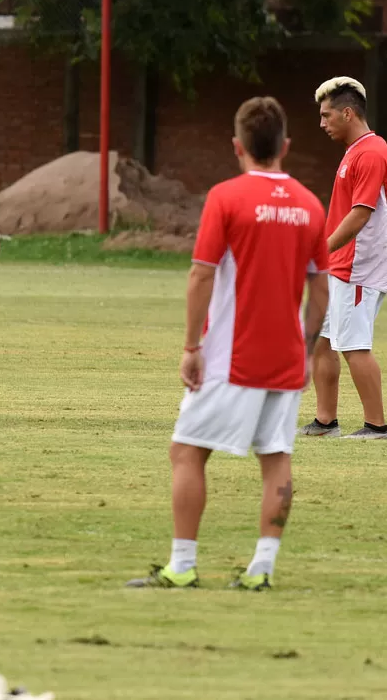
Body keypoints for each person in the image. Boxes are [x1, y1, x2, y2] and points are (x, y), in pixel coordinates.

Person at [128, 97, 328, 591]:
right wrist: (304, 350)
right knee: (277, 457)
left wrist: (191, 346)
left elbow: (200, 275)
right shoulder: (309, 204)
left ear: (238, 147)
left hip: (230, 357)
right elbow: (321, 287)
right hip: (285, 357)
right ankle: (261, 572)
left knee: (187, 451)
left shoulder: (226, 197)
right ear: (285, 146)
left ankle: (182, 566)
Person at [298, 77, 387, 440]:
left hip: (359, 266)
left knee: (353, 344)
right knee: (323, 340)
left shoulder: (370, 151)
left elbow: (361, 214)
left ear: (347, 113)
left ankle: (377, 426)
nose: (322, 123)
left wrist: (321, 249)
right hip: (342, 264)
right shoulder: (355, 151)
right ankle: (325, 422)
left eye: (327, 115)